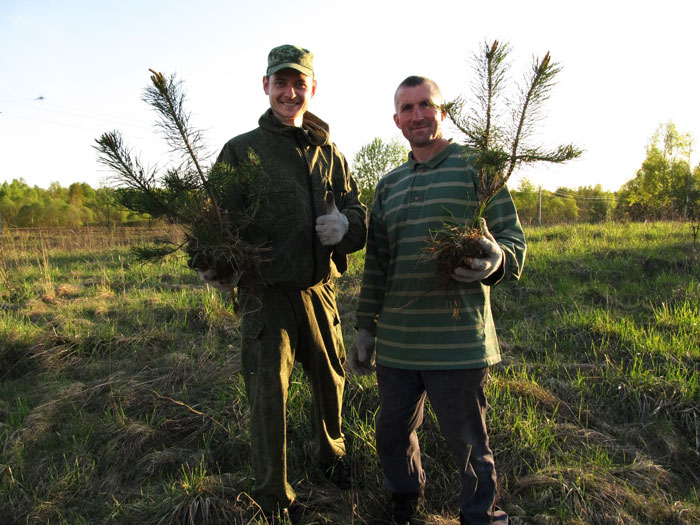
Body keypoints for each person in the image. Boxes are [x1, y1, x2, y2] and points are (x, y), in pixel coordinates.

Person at [198, 44, 367, 520]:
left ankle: (332, 460)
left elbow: (357, 210)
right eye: (281, 83)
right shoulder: (242, 150)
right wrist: (214, 264)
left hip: (319, 291)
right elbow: (214, 223)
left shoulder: (329, 152)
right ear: (266, 86)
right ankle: (272, 493)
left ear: (312, 89)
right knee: (269, 394)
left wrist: (347, 227)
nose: (290, 92)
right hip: (266, 296)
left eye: (299, 84)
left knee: (332, 381)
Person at [348, 76, 526, 524]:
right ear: (396, 121)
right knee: (391, 432)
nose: (417, 115)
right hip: (400, 345)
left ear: (442, 112)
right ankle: (405, 503)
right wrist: (366, 327)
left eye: (426, 104)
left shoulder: (477, 168)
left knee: (467, 441)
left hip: (458, 342)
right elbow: (378, 263)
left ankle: (480, 516)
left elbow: (512, 239)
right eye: (407, 108)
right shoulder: (387, 186)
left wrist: (496, 259)